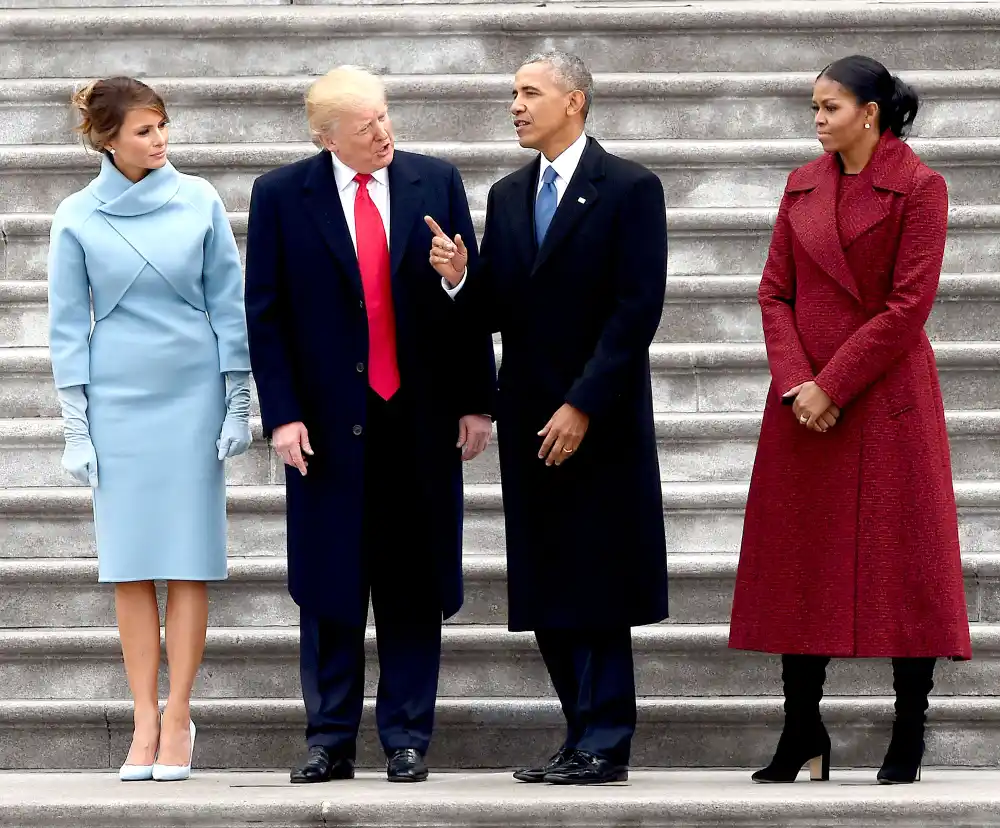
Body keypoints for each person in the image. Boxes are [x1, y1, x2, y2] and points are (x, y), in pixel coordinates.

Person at [244, 66, 496, 784]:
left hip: (415, 421)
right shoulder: (281, 195)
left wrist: (476, 395)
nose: (384, 134)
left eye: (385, 118)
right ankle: (329, 739)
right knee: (329, 590)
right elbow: (266, 313)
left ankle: (407, 737)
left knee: (414, 587)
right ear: (327, 138)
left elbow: (466, 302)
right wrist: (283, 416)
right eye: (366, 127)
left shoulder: (435, 180)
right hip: (325, 429)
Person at [728, 55, 972, 785]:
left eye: (829, 107)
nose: (817, 119)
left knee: (906, 564)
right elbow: (773, 293)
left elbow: (908, 306)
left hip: (886, 399)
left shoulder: (921, 187)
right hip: (804, 406)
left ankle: (909, 732)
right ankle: (802, 729)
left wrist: (831, 383)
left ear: (870, 112)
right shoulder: (801, 182)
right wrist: (798, 381)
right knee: (801, 562)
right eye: (813, 108)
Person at [426, 51, 668, 785]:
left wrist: (583, 404)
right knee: (547, 580)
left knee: (600, 580)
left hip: (601, 417)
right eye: (513, 93)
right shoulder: (507, 194)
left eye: (531, 93)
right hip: (531, 417)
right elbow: (503, 308)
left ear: (577, 102)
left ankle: (608, 739)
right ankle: (577, 731)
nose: (517, 105)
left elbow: (636, 311)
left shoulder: (629, 187)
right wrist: (462, 278)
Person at [47, 77, 252, 782]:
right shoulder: (74, 215)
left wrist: (237, 401)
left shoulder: (198, 199)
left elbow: (229, 304)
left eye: (163, 126)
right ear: (107, 139)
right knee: (130, 565)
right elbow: (69, 325)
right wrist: (77, 425)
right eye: (143, 131)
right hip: (119, 397)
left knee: (189, 559)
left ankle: (177, 715)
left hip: (192, 392)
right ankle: (142, 717)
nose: (160, 140)